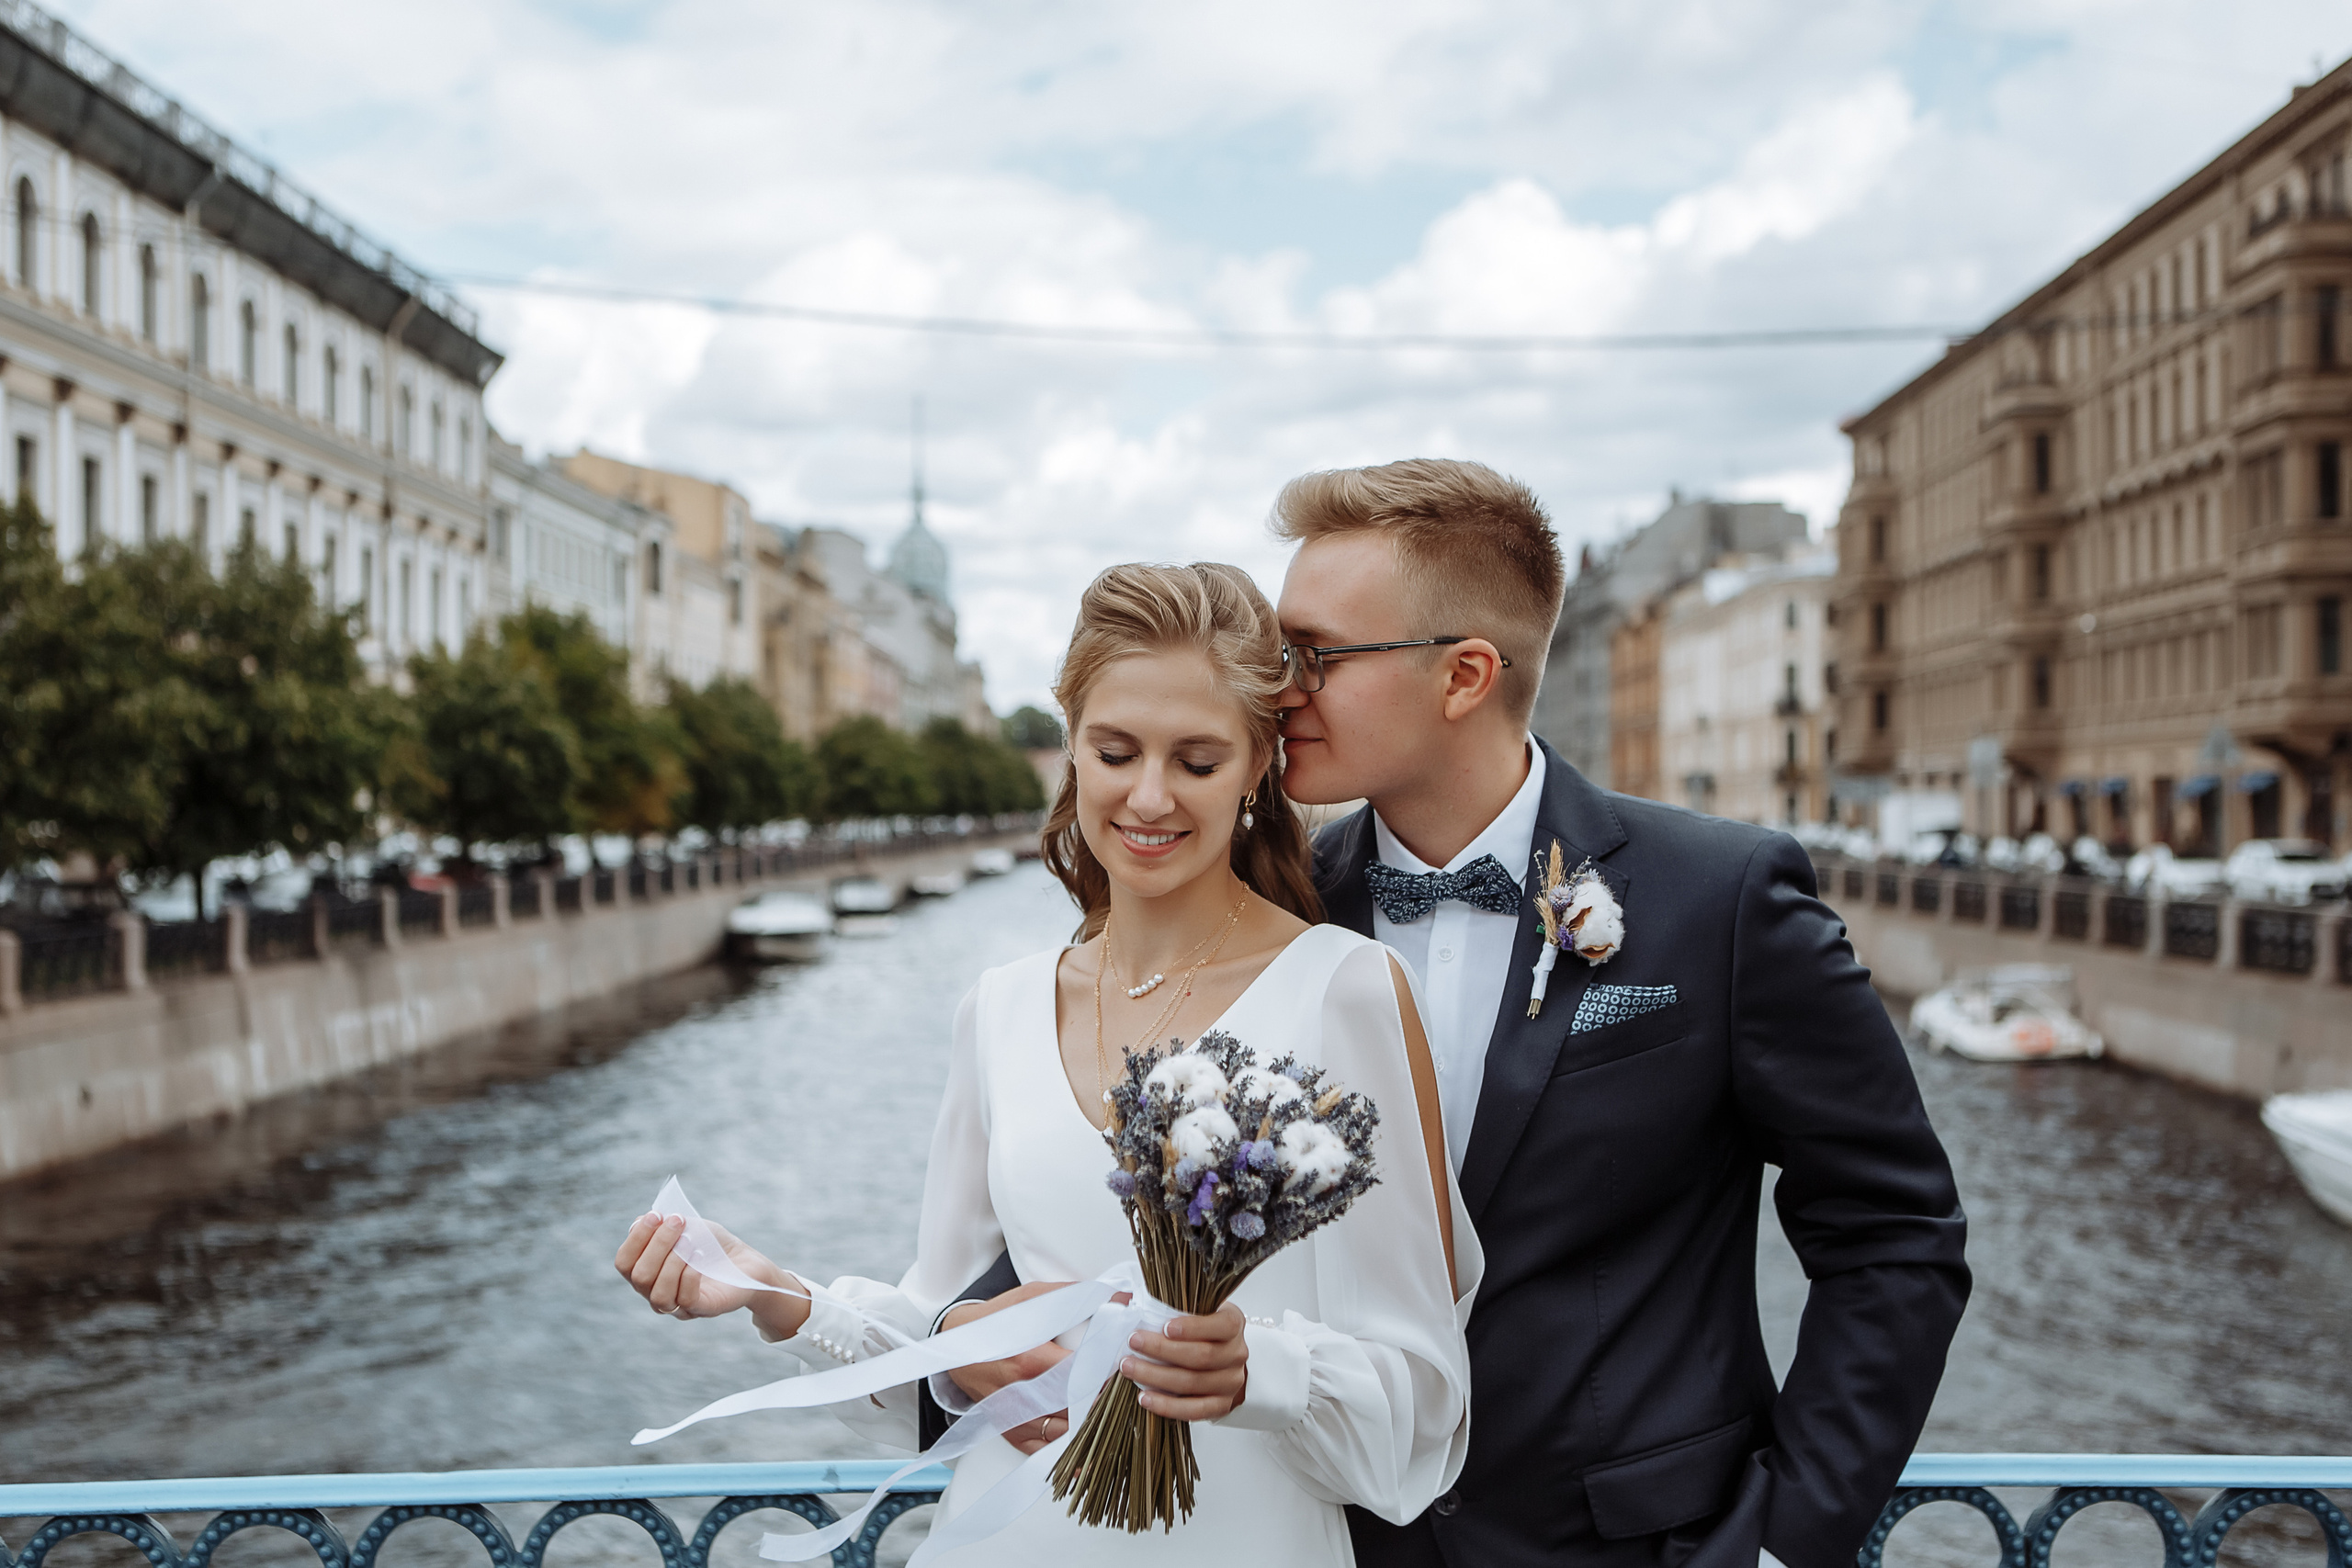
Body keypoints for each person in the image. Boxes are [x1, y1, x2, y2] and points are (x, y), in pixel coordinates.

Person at [940, 460, 1970, 1567]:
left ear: (1465, 674)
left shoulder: (1718, 900)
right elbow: (1116, 1195)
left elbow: (1894, 1238)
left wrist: (1782, 1543)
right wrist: (962, 1334)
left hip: (1639, 1547)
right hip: (1330, 1538)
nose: (1276, 691)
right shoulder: (1272, 915)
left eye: (1313, 657)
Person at [616, 562, 1478, 1563]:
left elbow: (1424, 1406)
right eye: (1115, 751)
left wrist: (1257, 1371)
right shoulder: (1001, 1006)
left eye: (1196, 761)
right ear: (1071, 743)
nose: (1148, 796)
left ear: (1256, 766)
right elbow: (935, 1341)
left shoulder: (1348, 990)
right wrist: (776, 1295)